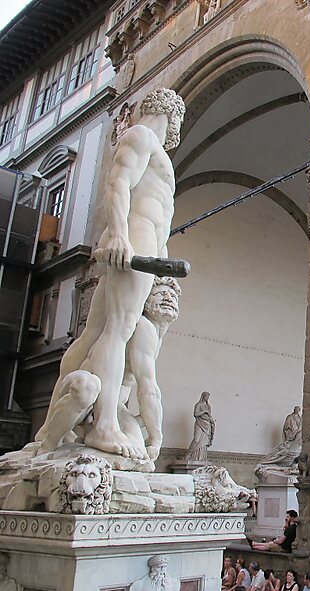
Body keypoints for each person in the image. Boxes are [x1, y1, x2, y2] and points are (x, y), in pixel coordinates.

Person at [35, 88, 186, 461]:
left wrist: (161, 263)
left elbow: (161, 219)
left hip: (145, 249)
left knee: (94, 333)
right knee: (119, 330)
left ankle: (50, 425)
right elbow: (117, 184)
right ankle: (104, 425)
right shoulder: (141, 135)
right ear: (172, 115)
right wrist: (119, 234)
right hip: (134, 242)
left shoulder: (154, 149)